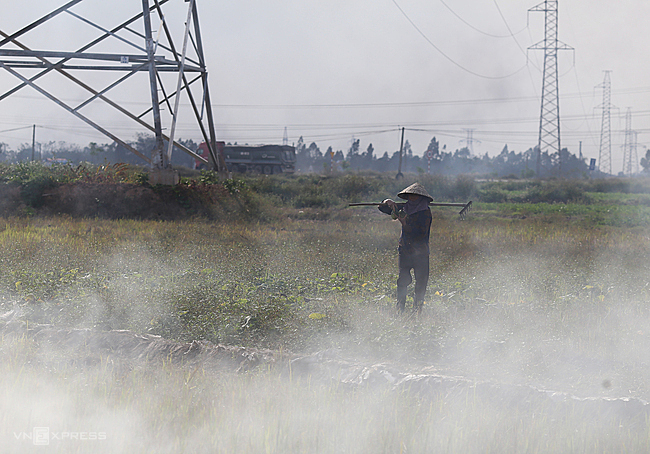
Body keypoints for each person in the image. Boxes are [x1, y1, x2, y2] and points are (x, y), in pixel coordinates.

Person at [378, 182, 433, 313]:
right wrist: (388, 202)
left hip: (420, 252)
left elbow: (420, 234)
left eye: (415, 196)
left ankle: (417, 309)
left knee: (421, 281)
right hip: (405, 251)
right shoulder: (405, 208)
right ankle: (400, 307)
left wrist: (404, 223)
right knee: (403, 280)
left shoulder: (425, 213)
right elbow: (382, 208)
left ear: (421, 197)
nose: (412, 198)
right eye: (410, 195)